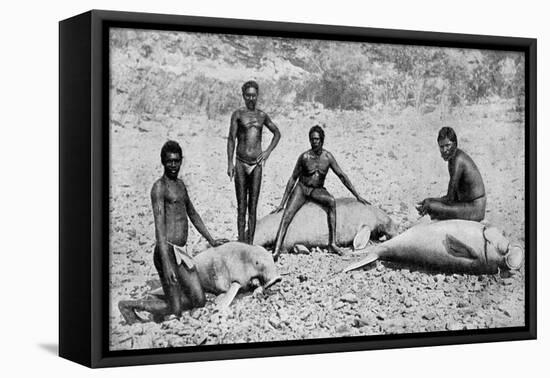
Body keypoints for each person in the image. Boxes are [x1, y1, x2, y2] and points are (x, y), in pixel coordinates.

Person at [119, 141, 227, 324]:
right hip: (166, 252)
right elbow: (159, 229)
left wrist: (211, 239)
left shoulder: (180, 185)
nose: (173, 165)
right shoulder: (159, 188)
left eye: (177, 161)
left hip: (180, 252)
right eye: (169, 161)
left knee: (199, 300)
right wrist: (167, 264)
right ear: (163, 162)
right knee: (176, 310)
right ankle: (129, 305)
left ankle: (162, 300)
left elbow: (192, 213)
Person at [271, 125, 370, 260]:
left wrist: (357, 195)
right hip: (302, 188)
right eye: (312, 139)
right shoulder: (305, 157)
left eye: (317, 139)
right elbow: (293, 178)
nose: (314, 142)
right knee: (287, 215)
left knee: (331, 202)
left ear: (322, 140)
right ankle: (276, 250)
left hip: (317, 190)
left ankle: (333, 243)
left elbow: (342, 176)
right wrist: (282, 203)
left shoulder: (327, 157)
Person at [227, 80, 281, 244]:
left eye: (254, 95)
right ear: (243, 96)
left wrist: (267, 152)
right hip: (241, 163)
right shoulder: (238, 114)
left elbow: (277, 133)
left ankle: (249, 243)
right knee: (241, 206)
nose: (251, 98)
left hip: (256, 165)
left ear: (257, 96)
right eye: (248, 95)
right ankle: (241, 242)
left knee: (253, 207)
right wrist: (230, 163)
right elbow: (231, 139)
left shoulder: (262, 116)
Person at [416, 127, 486, 221]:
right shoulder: (453, 159)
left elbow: (450, 198)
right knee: (431, 205)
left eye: (448, 145)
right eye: (441, 147)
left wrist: (430, 201)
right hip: (468, 205)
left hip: (475, 209)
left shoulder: (458, 160)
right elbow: (453, 197)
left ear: (455, 144)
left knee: (432, 207)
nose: (445, 150)